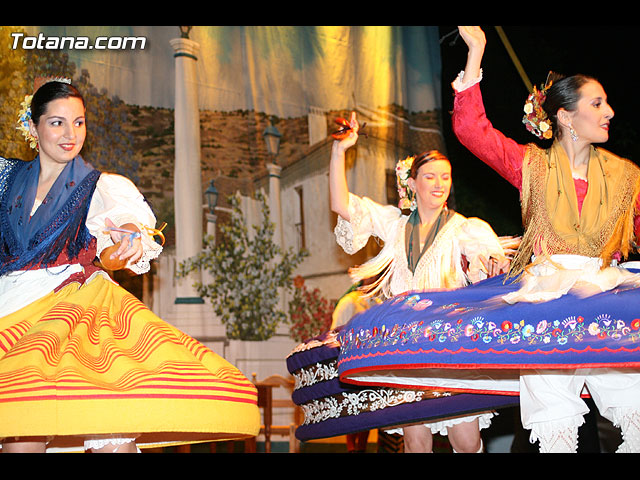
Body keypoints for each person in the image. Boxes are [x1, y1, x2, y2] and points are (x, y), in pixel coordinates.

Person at [0, 78, 260, 453]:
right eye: (57, 122)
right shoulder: (6, 179)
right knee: (21, 433)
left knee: (108, 421)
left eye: (79, 122)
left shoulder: (97, 187)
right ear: (33, 127)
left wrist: (125, 242)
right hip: (12, 313)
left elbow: (116, 240)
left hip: (69, 317)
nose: (71, 134)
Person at [450, 26, 640, 453]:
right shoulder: (531, 165)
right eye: (597, 103)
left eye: (607, 102)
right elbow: (471, 130)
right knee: (554, 422)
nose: (610, 111)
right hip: (548, 302)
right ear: (566, 117)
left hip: (607, 297)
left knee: (635, 409)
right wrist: (477, 49)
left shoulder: (627, 177)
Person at [329, 113, 510, 453]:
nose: (439, 183)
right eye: (430, 176)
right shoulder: (394, 225)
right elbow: (342, 204)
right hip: (406, 345)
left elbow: (486, 262)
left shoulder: (464, 228)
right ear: (412, 183)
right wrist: (340, 151)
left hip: (451, 345)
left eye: (445, 176)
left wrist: (492, 267)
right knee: (414, 442)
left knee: (466, 441)